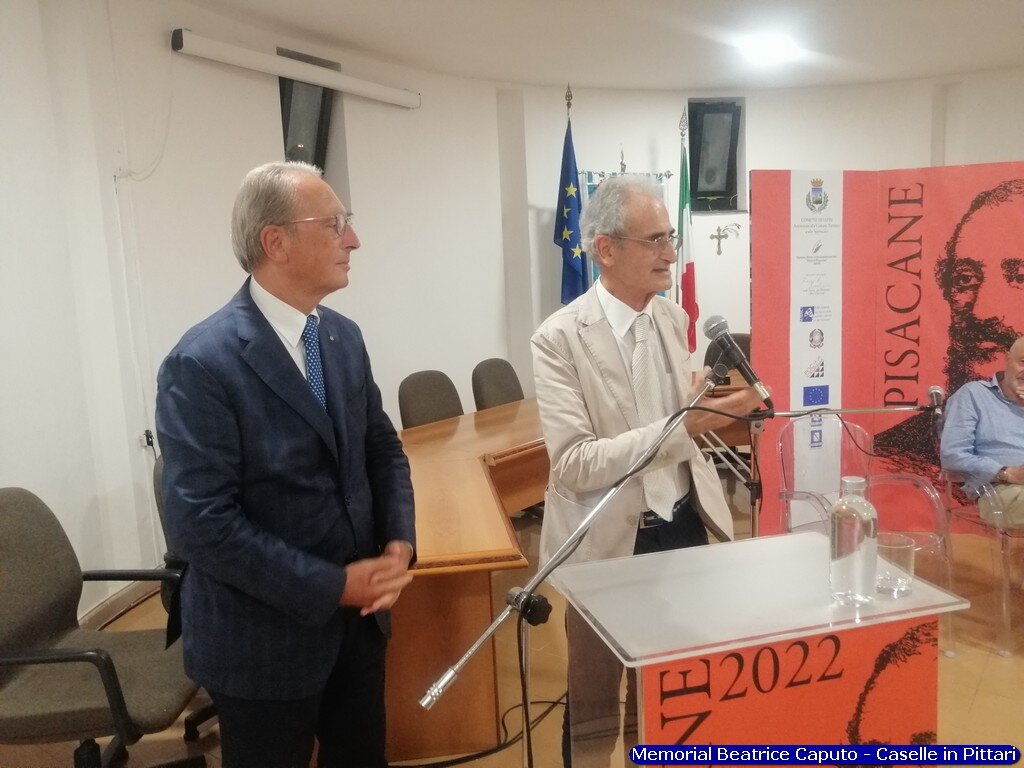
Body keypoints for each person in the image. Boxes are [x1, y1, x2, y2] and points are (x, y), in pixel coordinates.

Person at [155, 161, 415, 768]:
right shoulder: (201, 363)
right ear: (276, 242)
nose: (354, 240)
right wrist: (333, 585)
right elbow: (202, 525)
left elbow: (381, 448)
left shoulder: (342, 337)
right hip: (262, 642)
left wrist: (400, 539)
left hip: (359, 629)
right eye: (336, 224)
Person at [531, 175, 763, 765]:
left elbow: (675, 414)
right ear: (605, 249)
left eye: (671, 237)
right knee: (594, 703)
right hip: (607, 540)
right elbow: (575, 464)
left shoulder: (672, 318)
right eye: (655, 239)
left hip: (683, 523)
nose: (670, 253)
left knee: (671, 694)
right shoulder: (558, 339)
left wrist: (707, 408)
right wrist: (686, 425)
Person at [875, 178, 1024, 475]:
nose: (981, 313)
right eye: (965, 279)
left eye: (1019, 277)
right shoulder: (895, 455)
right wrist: (1006, 474)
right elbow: (954, 458)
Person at [940, 336, 1024, 526]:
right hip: (1002, 489)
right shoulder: (974, 395)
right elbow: (952, 456)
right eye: (1023, 361)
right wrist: (1007, 473)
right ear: (1007, 359)